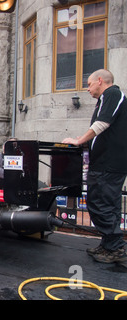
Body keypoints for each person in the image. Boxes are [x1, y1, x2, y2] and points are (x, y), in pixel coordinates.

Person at [62, 69, 127, 264]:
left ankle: (115, 248)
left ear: (100, 81)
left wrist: (79, 140)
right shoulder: (108, 98)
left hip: (108, 165)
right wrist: (82, 142)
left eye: (89, 84)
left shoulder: (113, 94)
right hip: (107, 164)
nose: (87, 89)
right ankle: (109, 245)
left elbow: (102, 124)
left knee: (100, 204)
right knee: (107, 204)